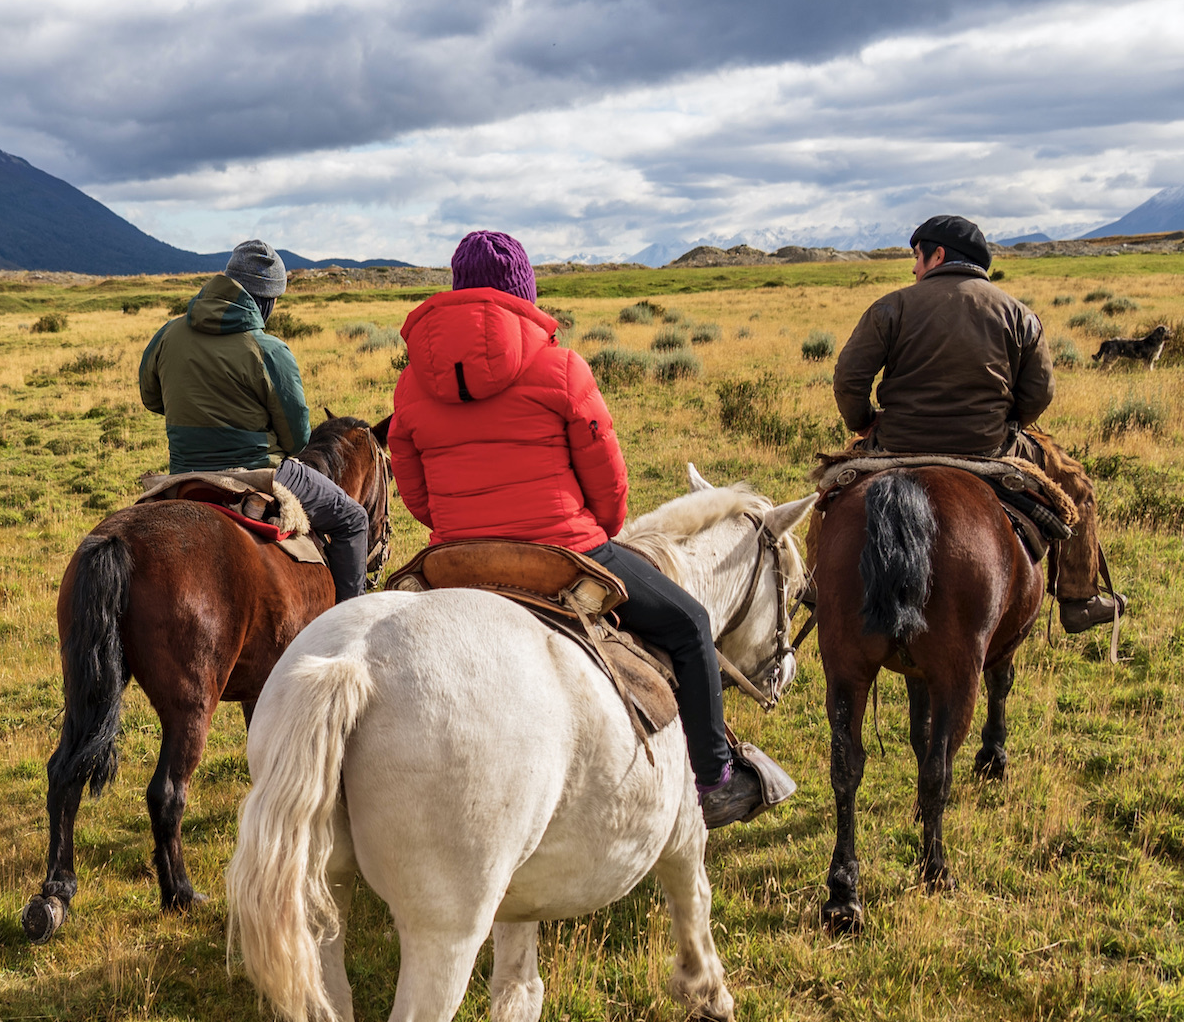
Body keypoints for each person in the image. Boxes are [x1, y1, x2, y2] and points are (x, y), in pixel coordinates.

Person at [384, 230, 773, 828]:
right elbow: (609, 480)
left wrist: (466, 526)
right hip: (564, 551)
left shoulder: (411, 383)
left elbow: (414, 491)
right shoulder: (560, 365)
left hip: (457, 557)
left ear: (457, 291)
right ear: (523, 292)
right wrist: (602, 534)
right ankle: (714, 778)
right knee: (691, 625)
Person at [834, 214, 1124, 632]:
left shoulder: (891, 306)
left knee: (832, 492)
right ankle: (1079, 600)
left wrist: (864, 423)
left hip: (897, 443)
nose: (913, 268)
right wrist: (1012, 424)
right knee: (1075, 486)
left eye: (916, 256)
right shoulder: (1019, 313)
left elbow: (848, 381)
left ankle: (816, 590)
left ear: (938, 255)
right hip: (989, 446)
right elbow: (1040, 392)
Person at [137, 240, 370, 603]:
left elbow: (151, 398)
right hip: (259, 472)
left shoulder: (168, 333)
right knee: (353, 520)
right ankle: (348, 625)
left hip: (184, 471)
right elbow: (297, 439)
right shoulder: (269, 350)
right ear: (267, 300)